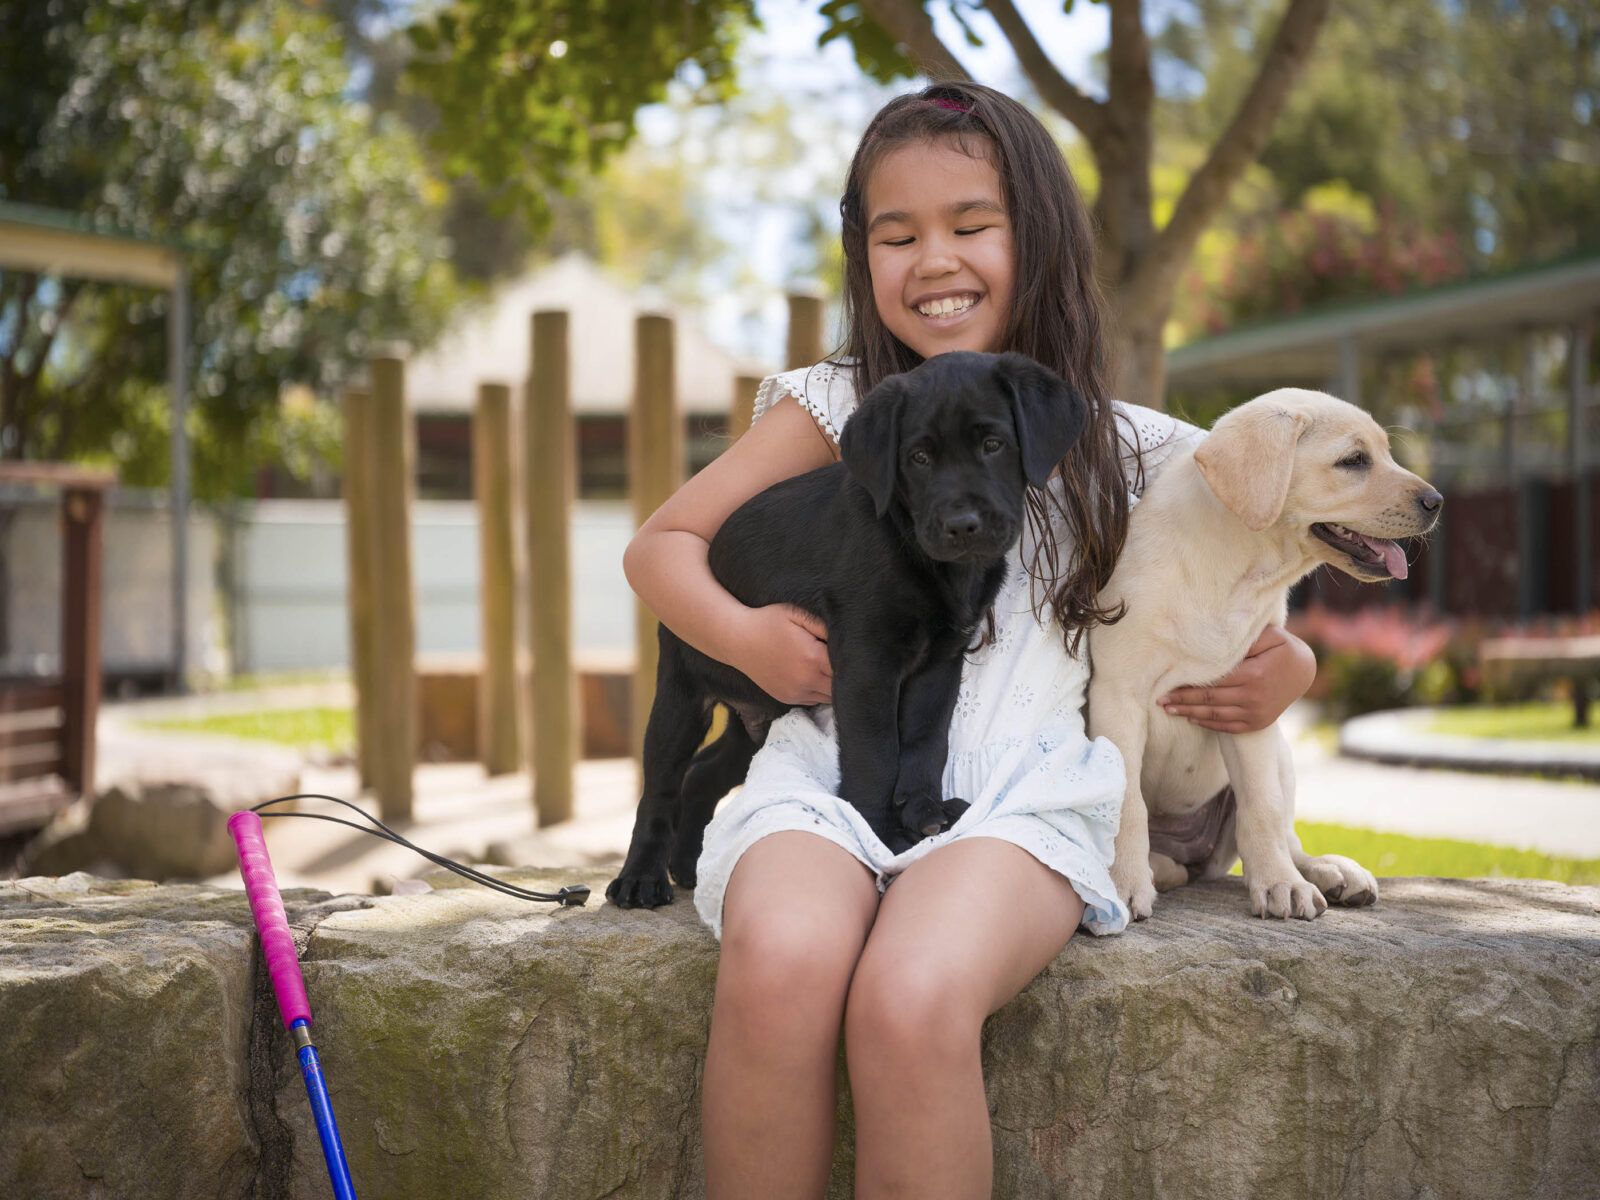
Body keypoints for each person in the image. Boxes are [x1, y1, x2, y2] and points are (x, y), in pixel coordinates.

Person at [622, 80, 1317, 1200]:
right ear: (862, 254)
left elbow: (1272, 526)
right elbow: (662, 545)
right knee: (780, 962)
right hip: (830, 772)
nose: (933, 259)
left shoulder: (1126, 442)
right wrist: (744, 639)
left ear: (1037, 237)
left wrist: (1291, 663)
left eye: (970, 224)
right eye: (896, 235)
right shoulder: (839, 407)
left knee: (911, 996)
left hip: (1030, 794)